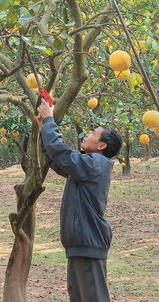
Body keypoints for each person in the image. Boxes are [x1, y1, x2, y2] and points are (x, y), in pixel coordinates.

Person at [37, 98, 122, 302]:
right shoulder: (87, 165)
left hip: (88, 243)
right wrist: (43, 129)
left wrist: (49, 120)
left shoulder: (95, 164)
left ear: (101, 145)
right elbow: (58, 160)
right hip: (81, 244)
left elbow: (62, 153)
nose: (86, 135)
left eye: (93, 134)